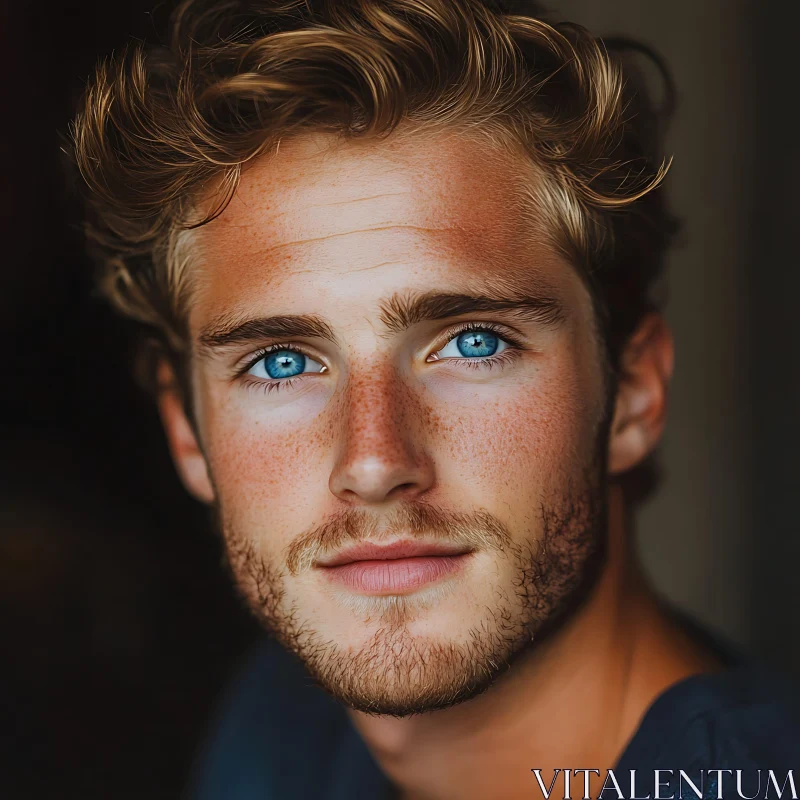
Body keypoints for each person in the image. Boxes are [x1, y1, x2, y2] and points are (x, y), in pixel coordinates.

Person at [68, 1, 800, 797]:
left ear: (632, 393)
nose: (375, 462)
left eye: (474, 343)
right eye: (280, 361)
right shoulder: (283, 725)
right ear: (187, 430)